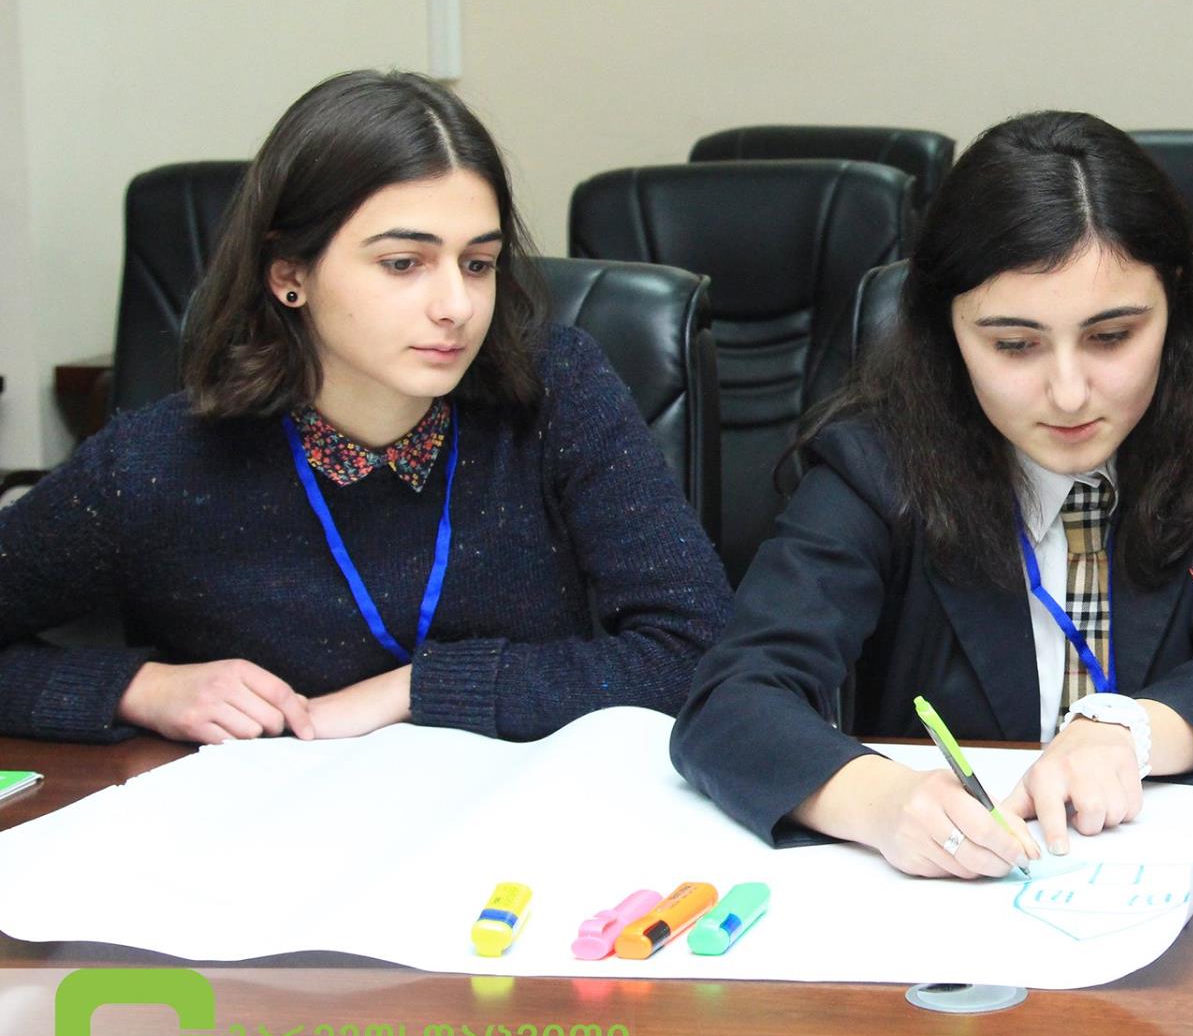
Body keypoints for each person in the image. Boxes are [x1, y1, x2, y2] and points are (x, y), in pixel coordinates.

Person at [671, 110, 1193, 877]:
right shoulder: (878, 456)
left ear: (1173, 302)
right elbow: (732, 697)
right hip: (955, 899)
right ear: (947, 327)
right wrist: (879, 800)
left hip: (1171, 884)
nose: (1069, 392)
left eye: (1112, 337)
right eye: (1015, 345)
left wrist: (1128, 731)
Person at [0, 70, 731, 745]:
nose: (457, 306)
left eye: (478, 263)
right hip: (272, 829)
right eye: (403, 263)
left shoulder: (556, 387)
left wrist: (416, 688)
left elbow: (700, 650)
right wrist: (140, 688)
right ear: (289, 273)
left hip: (522, 820)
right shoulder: (157, 464)